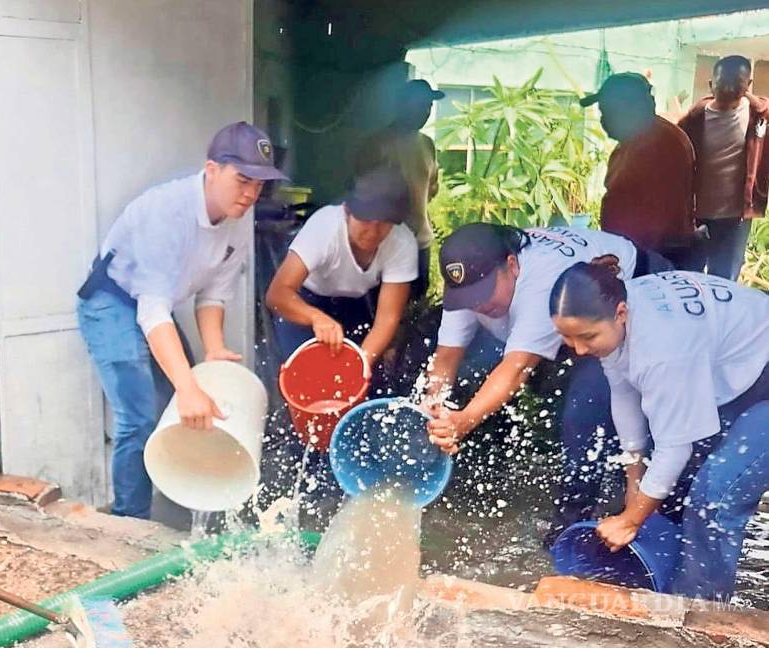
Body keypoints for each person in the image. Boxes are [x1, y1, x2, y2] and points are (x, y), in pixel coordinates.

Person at [76, 122, 287, 519]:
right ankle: (129, 523)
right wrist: (188, 386)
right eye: (243, 180)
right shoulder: (166, 213)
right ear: (212, 169)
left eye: (259, 185)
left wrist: (213, 349)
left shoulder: (239, 217)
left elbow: (212, 294)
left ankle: (188, 499)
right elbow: (151, 311)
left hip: (159, 305)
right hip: (112, 302)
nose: (251, 194)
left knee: (185, 404)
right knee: (140, 414)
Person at [424, 223, 671, 539]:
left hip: (632, 291)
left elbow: (516, 368)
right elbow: (446, 359)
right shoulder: (466, 285)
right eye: (469, 298)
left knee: (585, 411)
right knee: (473, 368)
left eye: (484, 293)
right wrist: (435, 408)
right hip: (567, 311)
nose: (478, 305)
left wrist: (464, 420)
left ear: (512, 265)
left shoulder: (542, 281)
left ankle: (574, 522)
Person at [549, 263, 769, 601]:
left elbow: (675, 448)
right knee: (674, 484)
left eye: (587, 338)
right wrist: (634, 483)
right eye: (567, 339)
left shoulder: (662, 347)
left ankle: (696, 617)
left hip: (761, 376)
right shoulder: (618, 311)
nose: (578, 350)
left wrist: (631, 520)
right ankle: (672, 578)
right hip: (741, 367)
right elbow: (624, 395)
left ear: (620, 313)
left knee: (715, 497)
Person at [265, 166, 417, 366]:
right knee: (303, 370)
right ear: (347, 211)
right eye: (365, 220)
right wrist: (314, 317)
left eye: (384, 223)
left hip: (359, 302)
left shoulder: (402, 242)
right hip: (304, 300)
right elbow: (276, 295)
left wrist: (361, 365)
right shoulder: (324, 228)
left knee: (359, 373)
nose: (373, 232)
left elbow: (387, 320)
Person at [582, 73, 696, 268]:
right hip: (640, 254)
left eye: (607, 112)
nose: (603, 120)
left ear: (629, 109)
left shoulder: (658, 145)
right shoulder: (637, 139)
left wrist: (633, 261)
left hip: (651, 258)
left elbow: (656, 219)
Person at [678, 55, 769, 280]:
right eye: (722, 82)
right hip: (695, 215)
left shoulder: (761, 118)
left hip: (735, 218)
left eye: (737, 83)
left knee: (725, 281)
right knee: (689, 277)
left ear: (748, 85)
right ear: (711, 84)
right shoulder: (694, 119)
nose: (729, 88)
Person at [355, 79, 443, 298]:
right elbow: (362, 195)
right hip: (385, 243)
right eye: (421, 105)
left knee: (416, 310)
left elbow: (431, 190)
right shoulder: (378, 145)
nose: (426, 112)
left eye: (429, 106)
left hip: (421, 242)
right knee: (384, 310)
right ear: (403, 106)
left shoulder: (427, 145)